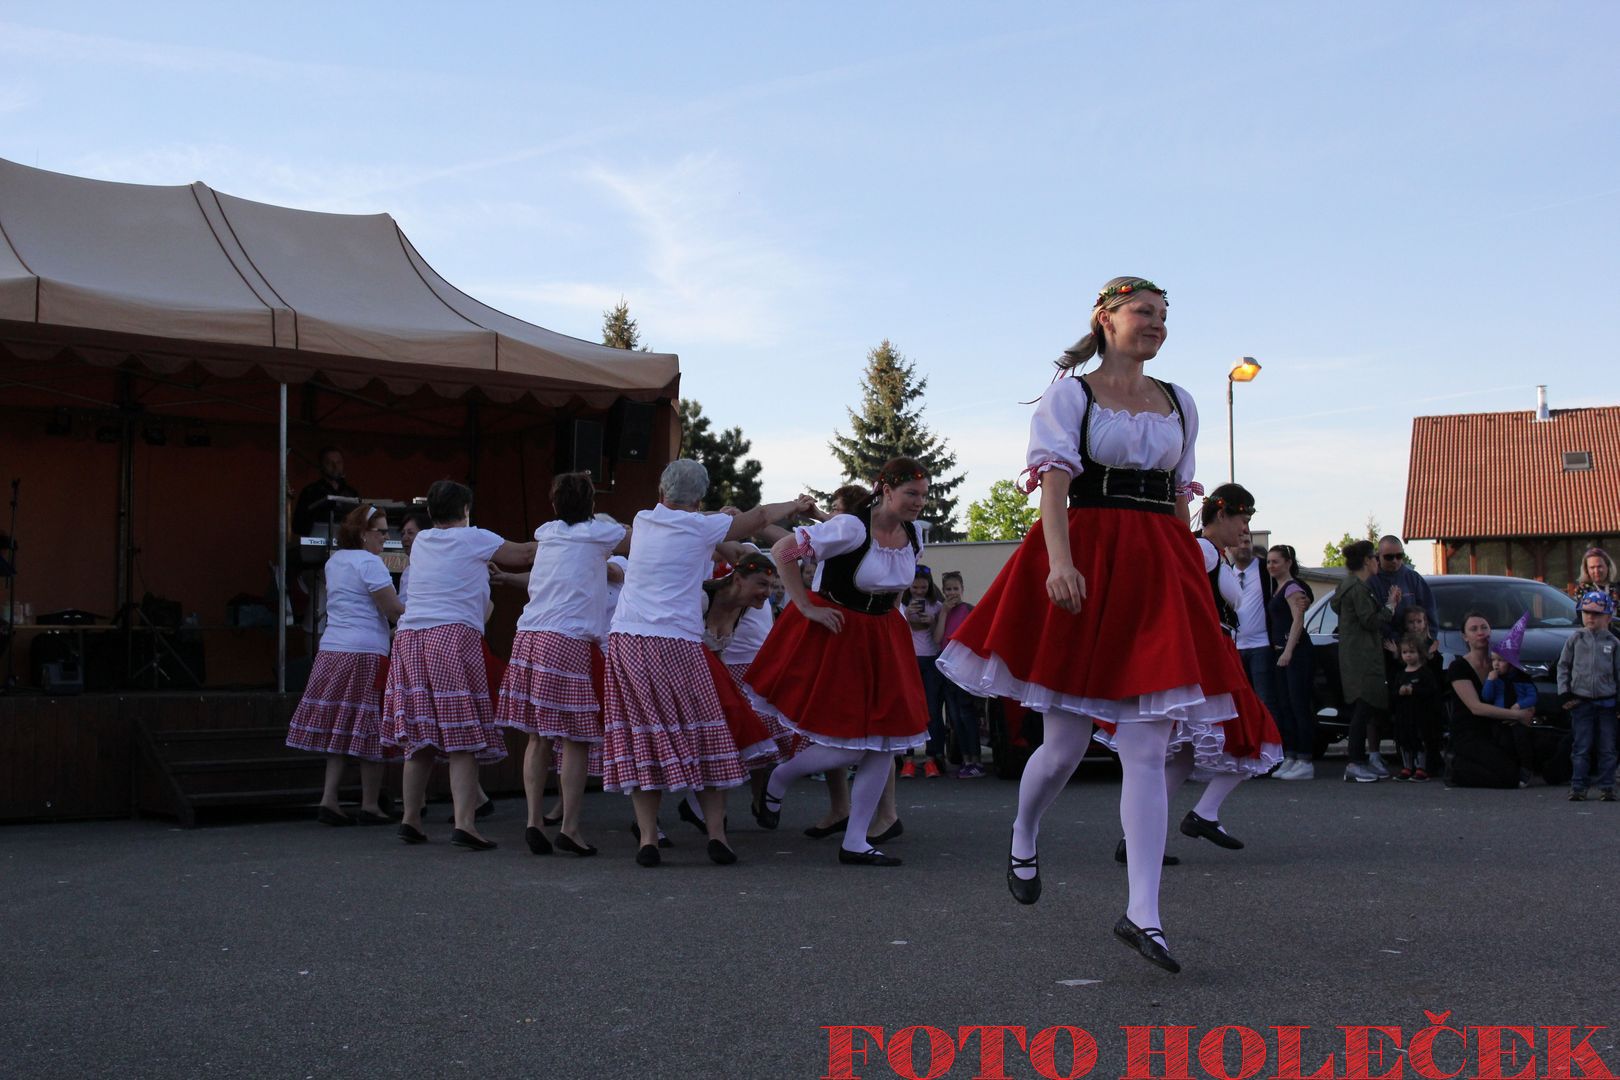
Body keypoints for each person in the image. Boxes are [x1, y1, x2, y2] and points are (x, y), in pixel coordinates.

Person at [936, 275, 1247, 974]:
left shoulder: (1180, 402)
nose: (1157, 323)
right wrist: (1058, 562)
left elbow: (1176, 499)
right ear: (1105, 319)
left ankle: (1144, 914)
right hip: (1087, 561)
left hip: (1158, 569)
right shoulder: (1070, 395)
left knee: (1145, 748)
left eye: (1165, 315)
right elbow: (1054, 485)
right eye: (1145, 312)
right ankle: (1023, 830)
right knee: (1064, 748)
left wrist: (1191, 579)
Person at [601, 459, 811, 868]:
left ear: (662, 492)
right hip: (676, 641)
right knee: (707, 731)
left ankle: (648, 838)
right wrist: (797, 505)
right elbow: (762, 516)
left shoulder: (643, 519)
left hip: (627, 639)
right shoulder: (702, 526)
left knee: (644, 735)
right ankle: (717, 835)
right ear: (698, 499)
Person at [749, 457, 934, 868]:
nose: (919, 502)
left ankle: (855, 842)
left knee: (883, 744)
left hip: (885, 639)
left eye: (923, 495)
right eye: (911, 494)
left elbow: (896, 589)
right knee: (846, 746)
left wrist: (895, 621)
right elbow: (783, 550)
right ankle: (781, 777)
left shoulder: (915, 535)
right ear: (885, 490)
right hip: (842, 637)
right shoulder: (851, 526)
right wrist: (804, 606)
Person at [1107, 483, 1279, 855]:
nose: (1246, 528)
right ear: (1220, 515)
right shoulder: (1202, 550)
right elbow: (1168, 591)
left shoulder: (1216, 553)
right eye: (1242, 519)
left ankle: (1139, 838)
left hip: (1218, 654)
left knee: (1186, 754)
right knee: (1255, 736)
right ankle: (1201, 814)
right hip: (1207, 657)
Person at [382, 479, 536, 850]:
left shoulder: (422, 543)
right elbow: (526, 554)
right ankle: (465, 823)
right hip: (451, 637)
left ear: (431, 513)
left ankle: (411, 818)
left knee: (419, 737)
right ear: (465, 510)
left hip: (410, 638)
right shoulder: (474, 538)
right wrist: (569, 540)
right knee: (461, 733)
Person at [494, 471, 626, 857]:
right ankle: (569, 827)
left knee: (537, 736)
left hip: (529, 635)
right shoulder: (601, 534)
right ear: (592, 505)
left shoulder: (546, 532)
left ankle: (534, 821)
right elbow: (637, 539)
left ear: (554, 505)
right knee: (576, 738)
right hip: (567, 639)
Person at [285, 504, 405, 824]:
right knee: (371, 728)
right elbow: (393, 610)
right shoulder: (372, 564)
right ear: (363, 534)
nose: (386, 537)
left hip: (332, 649)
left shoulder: (335, 561)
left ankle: (329, 798)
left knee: (339, 725)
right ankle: (369, 805)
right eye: (380, 531)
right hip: (366, 651)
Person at [1364, 535, 1435, 775]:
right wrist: (1397, 640)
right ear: (1378, 557)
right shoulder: (1373, 582)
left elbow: (1429, 611)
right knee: (1383, 705)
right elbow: (1373, 619)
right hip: (1388, 652)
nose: (1395, 561)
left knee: (1419, 708)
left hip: (1417, 655)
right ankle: (1380, 753)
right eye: (1388, 557)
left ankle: (1423, 757)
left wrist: (1429, 639)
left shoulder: (1413, 578)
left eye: (1399, 556)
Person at [1331, 540, 1400, 783]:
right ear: (1367, 561)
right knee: (1362, 709)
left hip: (1357, 656)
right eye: (1374, 557)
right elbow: (1370, 621)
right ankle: (1356, 762)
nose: (1377, 562)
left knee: (1366, 708)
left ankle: (1360, 760)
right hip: (1361, 657)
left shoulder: (1350, 586)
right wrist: (1391, 606)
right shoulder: (1357, 588)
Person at [1446, 611, 1537, 789]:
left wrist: (1528, 707)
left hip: (1496, 731)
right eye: (1473, 629)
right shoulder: (1458, 667)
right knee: (1508, 778)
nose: (1480, 632)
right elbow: (1476, 707)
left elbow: (1521, 688)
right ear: (1465, 637)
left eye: (1484, 627)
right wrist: (1516, 715)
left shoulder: (1499, 664)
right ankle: (1457, 770)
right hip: (1469, 733)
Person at [1556, 591, 1620, 801]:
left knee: (1607, 747)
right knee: (1581, 746)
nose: (1591, 617)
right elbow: (1563, 666)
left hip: (1607, 703)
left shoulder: (1614, 643)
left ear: (1608, 617)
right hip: (1580, 701)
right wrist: (1564, 692)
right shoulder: (1575, 639)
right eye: (1586, 612)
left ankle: (1607, 785)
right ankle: (1578, 786)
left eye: (1597, 614)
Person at [1264, 544, 1316, 779]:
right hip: (1279, 653)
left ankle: (1305, 759)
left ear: (1288, 562)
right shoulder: (1277, 588)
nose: (1271, 566)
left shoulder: (1293, 588)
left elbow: (1298, 621)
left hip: (1295, 654)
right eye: (1268, 562)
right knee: (1285, 706)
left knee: (1298, 705)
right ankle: (1292, 755)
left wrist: (1289, 651)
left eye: (1275, 561)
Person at [934, 571, 985, 778]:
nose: (952, 593)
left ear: (962, 589)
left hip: (963, 671)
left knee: (967, 715)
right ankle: (966, 760)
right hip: (946, 671)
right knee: (954, 717)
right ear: (943, 591)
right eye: (948, 589)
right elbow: (937, 638)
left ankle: (976, 760)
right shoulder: (941, 612)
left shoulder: (968, 610)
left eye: (955, 589)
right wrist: (944, 613)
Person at [900, 567, 946, 778]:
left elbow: (938, 639)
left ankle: (931, 758)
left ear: (929, 587)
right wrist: (908, 618)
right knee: (909, 710)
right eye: (915, 587)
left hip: (931, 660)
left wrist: (933, 621)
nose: (918, 591)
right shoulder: (901, 606)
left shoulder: (937, 606)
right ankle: (907, 759)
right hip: (908, 660)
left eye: (923, 587)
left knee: (932, 711)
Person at [1226, 534, 1276, 715]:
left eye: (1247, 542)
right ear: (1230, 548)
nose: (1243, 546)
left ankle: (1271, 741)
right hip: (1236, 647)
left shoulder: (1265, 570)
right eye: (1239, 543)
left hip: (1261, 645)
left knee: (1265, 701)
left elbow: (1292, 581)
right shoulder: (1226, 572)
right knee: (1241, 702)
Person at [1389, 634, 1445, 783]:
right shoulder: (1401, 674)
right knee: (1405, 741)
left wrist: (1415, 690)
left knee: (1420, 741)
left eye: (1412, 652)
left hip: (1421, 715)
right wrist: (1400, 692)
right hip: (1404, 715)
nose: (1408, 655)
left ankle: (1422, 768)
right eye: (1405, 652)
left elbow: (1432, 691)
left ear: (1420, 653)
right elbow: (1393, 694)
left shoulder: (1425, 672)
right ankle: (1407, 767)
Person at [292, 446, 361, 538]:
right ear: (321, 466)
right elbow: (297, 526)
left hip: (347, 544)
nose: (335, 466)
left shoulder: (351, 493)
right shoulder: (311, 491)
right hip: (318, 544)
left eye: (338, 462)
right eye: (329, 463)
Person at [1575, 548, 1620, 638]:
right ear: (1586, 570)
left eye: (1600, 566)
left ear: (1607, 566)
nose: (1596, 571)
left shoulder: (1618, 587)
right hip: (1595, 637)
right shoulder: (1583, 590)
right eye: (1592, 567)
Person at [396, 508, 431, 603]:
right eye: (402, 534)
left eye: (410, 533)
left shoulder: (435, 567)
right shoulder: (408, 571)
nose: (404, 538)